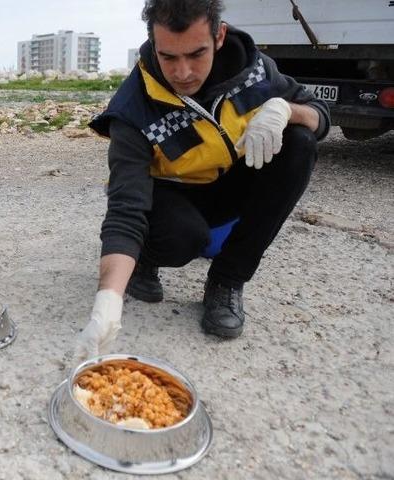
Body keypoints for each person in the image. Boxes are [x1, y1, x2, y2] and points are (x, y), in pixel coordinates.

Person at [74, 0, 330, 359]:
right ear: (152, 44)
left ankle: (227, 281)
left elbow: (321, 117)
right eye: (168, 57)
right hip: (164, 199)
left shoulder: (255, 70)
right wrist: (107, 302)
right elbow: (125, 208)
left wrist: (286, 109)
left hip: (225, 188)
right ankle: (144, 260)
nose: (182, 73)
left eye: (196, 54)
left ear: (219, 36)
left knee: (300, 143)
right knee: (184, 239)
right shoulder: (134, 107)